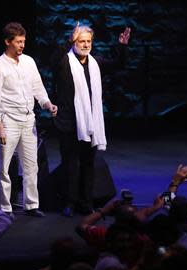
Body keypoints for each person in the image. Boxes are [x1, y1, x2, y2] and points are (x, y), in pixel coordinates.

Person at [51, 23, 131, 217]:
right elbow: (52, 61)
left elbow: (118, 64)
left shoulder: (96, 63)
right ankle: (69, 202)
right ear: (74, 42)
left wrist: (122, 46)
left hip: (90, 124)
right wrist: (68, 40)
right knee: (70, 165)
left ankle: (86, 203)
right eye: (81, 41)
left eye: (88, 41)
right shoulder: (64, 62)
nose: (86, 45)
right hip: (69, 124)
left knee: (88, 165)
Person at [0, 22, 58, 217]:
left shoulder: (29, 62)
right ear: (7, 42)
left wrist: (47, 104)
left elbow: (37, 87)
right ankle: (5, 207)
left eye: (23, 41)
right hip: (8, 120)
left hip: (28, 120)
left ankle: (31, 205)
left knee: (31, 165)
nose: (21, 45)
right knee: (4, 166)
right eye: (18, 42)